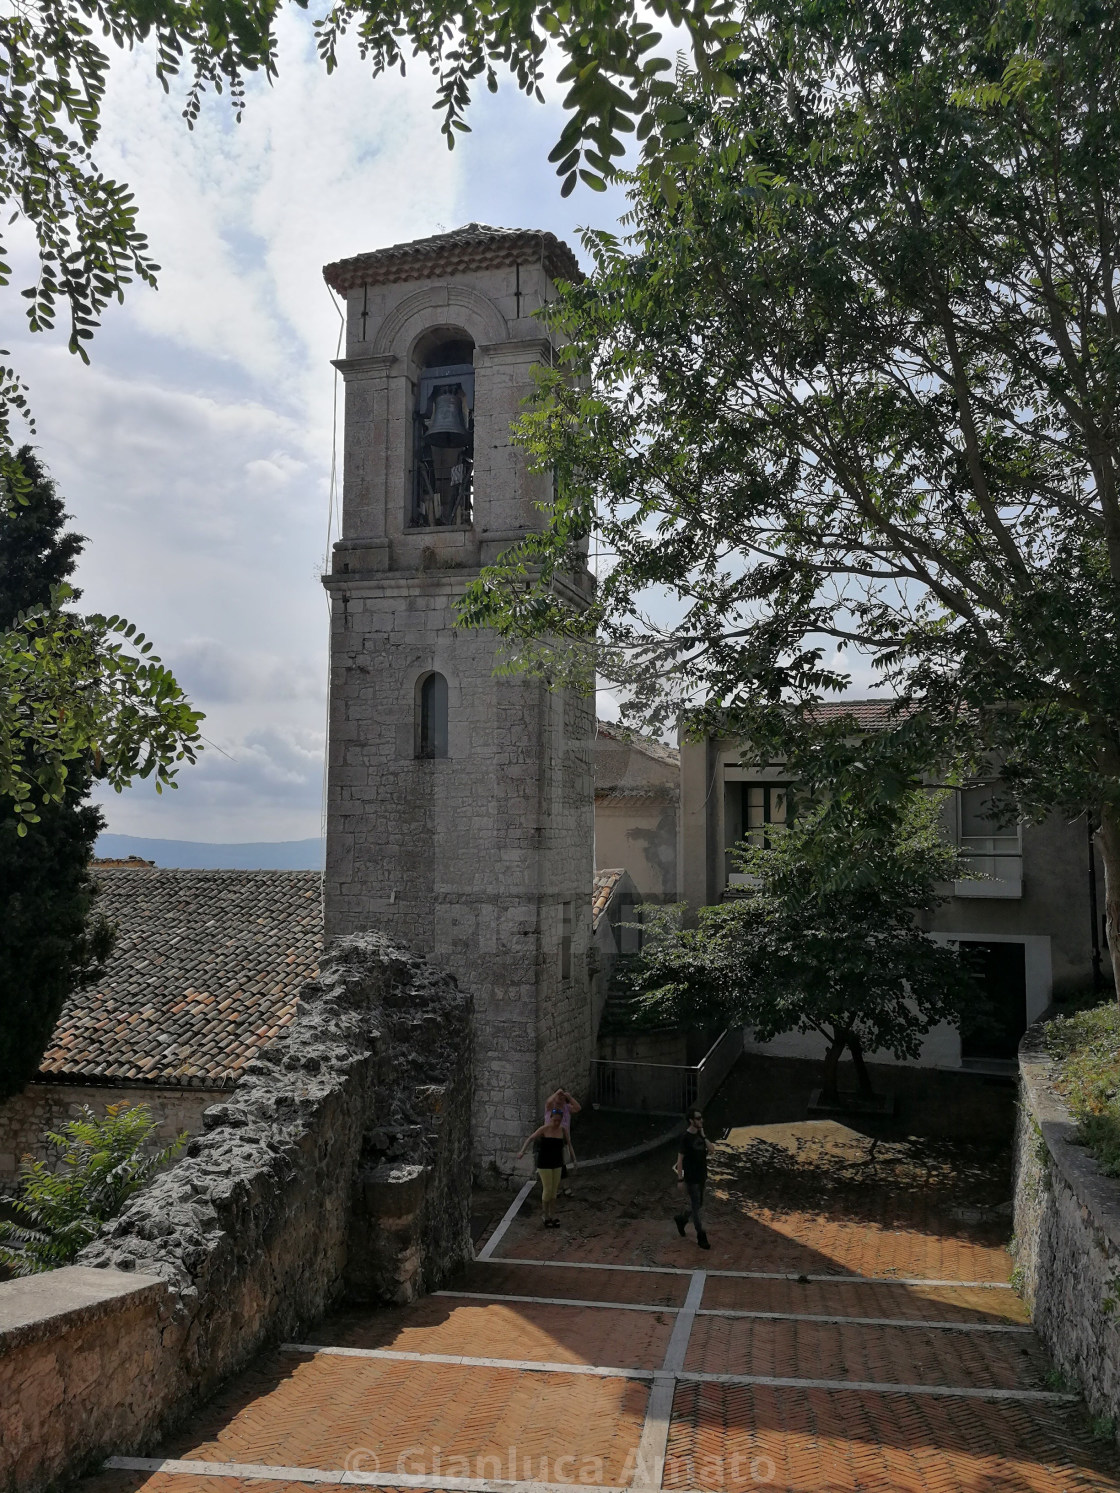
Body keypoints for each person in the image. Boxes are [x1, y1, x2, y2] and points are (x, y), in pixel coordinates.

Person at [518, 1108, 575, 1228]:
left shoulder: (562, 1130)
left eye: (559, 1121)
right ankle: (544, 1214)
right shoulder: (544, 1129)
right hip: (544, 1163)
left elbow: (569, 1144)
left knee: (554, 1190)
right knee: (547, 1188)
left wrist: (574, 1159)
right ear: (551, 1119)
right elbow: (530, 1138)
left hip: (557, 1162)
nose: (556, 1123)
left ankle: (552, 1215)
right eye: (554, 1120)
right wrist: (522, 1151)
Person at [674, 1107, 710, 1249]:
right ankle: (701, 1236)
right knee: (697, 1208)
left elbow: (712, 1149)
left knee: (698, 1204)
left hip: (702, 1175)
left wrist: (704, 1135)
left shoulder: (700, 1136)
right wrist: (680, 1179)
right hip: (691, 1178)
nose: (701, 1120)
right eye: (698, 1118)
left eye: (701, 1118)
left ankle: (682, 1219)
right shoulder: (686, 1138)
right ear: (691, 1121)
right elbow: (680, 1160)